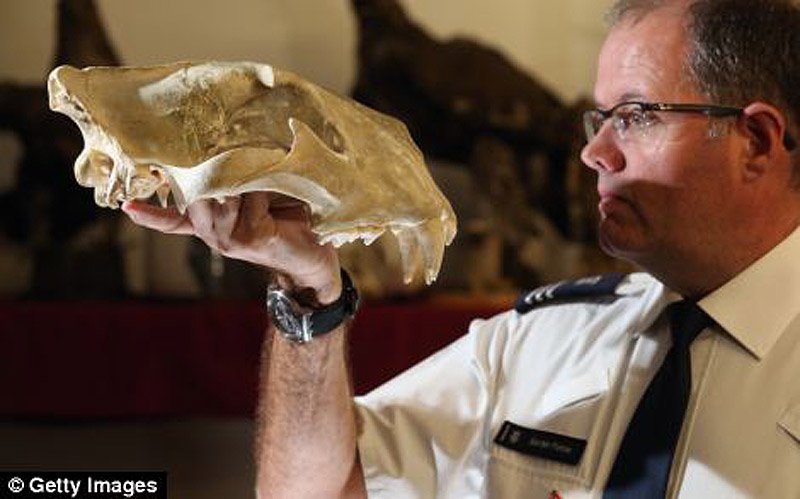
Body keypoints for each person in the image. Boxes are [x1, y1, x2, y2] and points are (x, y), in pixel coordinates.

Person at [122, 0, 800, 496]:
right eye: (599, 119)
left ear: (757, 143)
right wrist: (307, 294)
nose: (594, 152)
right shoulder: (541, 340)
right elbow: (316, 491)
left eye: (636, 115)